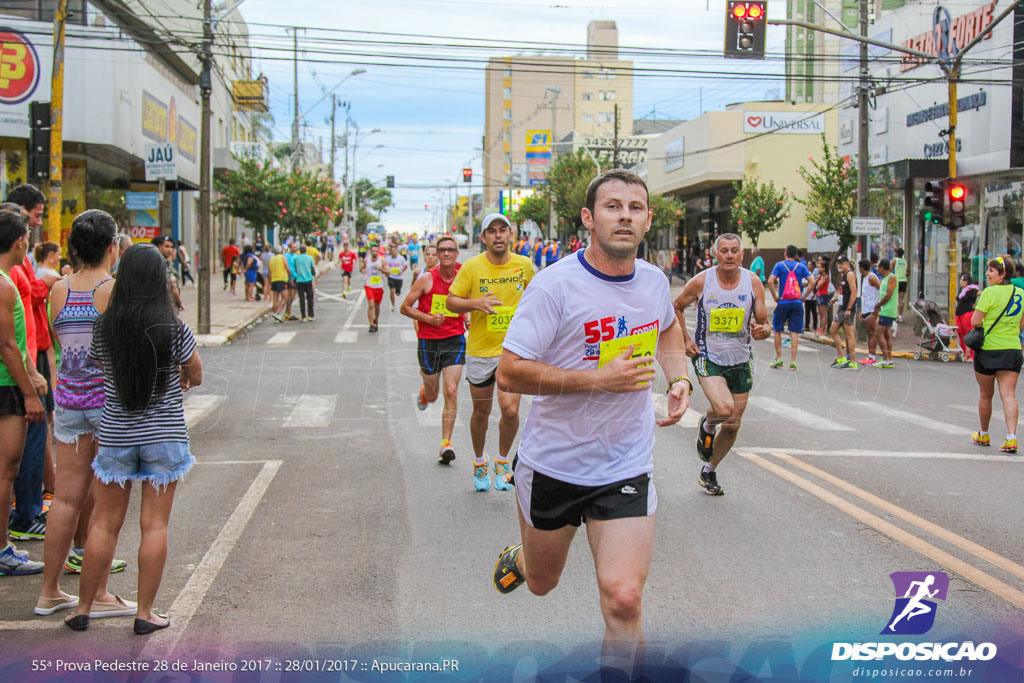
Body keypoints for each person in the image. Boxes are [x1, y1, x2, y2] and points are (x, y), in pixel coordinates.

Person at [491, 170, 690, 675]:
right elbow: (510, 373)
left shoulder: (652, 281)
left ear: (647, 220)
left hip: (625, 464)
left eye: (635, 207)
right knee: (541, 582)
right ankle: (526, 559)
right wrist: (596, 380)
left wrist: (679, 377)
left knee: (624, 598)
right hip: (553, 465)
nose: (625, 216)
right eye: (612, 206)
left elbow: (667, 328)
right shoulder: (554, 285)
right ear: (589, 218)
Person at [64, 243, 202, 634]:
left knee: (103, 525)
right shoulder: (173, 328)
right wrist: (182, 378)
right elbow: (197, 372)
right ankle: (145, 614)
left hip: (116, 436)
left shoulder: (104, 327)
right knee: (153, 526)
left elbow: (103, 366)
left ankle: (83, 608)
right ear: (160, 280)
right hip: (163, 436)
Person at [36, 210, 130, 617]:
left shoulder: (59, 289)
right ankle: (101, 592)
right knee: (106, 507)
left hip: (69, 403)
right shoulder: (112, 289)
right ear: (112, 247)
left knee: (66, 499)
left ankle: (49, 592)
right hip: (106, 406)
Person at [674, 233, 771, 496]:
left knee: (733, 424)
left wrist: (764, 330)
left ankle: (709, 470)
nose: (729, 255)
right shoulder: (702, 281)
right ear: (715, 254)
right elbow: (677, 307)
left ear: (742, 254)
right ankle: (707, 424)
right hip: (708, 356)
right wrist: (685, 339)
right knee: (724, 409)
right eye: (724, 251)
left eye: (734, 251)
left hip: (740, 358)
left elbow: (763, 322)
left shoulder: (753, 282)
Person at [447, 213, 534, 492]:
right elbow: (451, 301)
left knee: (509, 411)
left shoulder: (524, 265)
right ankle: (478, 460)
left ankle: (503, 461)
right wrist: (476, 303)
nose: (498, 236)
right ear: (483, 238)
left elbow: (540, 298)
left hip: (515, 350)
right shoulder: (472, 267)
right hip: (481, 349)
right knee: (481, 411)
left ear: (511, 235)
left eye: (503, 230)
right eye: (492, 231)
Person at [0, 208, 46, 576]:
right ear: (19, 241)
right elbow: (7, 345)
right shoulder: (3, 284)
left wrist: (32, 372)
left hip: (11, 379)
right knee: (6, 470)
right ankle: (2, 548)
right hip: (6, 387)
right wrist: (29, 391)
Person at [400, 236, 466, 464]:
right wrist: (428, 318)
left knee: (451, 390)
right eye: (442, 250)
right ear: (437, 255)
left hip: (454, 340)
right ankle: (424, 391)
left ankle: (445, 444)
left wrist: (467, 316)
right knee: (433, 394)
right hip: (428, 341)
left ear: (457, 253)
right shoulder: (427, 279)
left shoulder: (464, 277)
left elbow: (468, 301)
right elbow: (405, 307)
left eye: (450, 250)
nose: (446, 253)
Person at [970, 256, 1024, 453]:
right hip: (1012, 349)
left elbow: (975, 321)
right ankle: (1011, 437)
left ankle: (983, 434)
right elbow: (1021, 324)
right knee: (1008, 394)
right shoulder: (1020, 293)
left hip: (988, 349)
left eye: (991, 271)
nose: (987, 274)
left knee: (986, 394)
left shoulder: (989, 293)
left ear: (1002, 274)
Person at [766, 245, 813, 370]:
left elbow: (770, 281)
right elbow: (812, 282)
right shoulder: (801, 267)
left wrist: (775, 296)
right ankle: (793, 361)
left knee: (777, 329)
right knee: (794, 332)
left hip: (783, 301)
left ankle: (779, 358)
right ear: (796, 254)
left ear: (785, 253)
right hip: (797, 302)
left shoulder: (779, 265)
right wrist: (804, 297)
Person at [829, 255, 859, 369]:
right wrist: (836, 298)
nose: (840, 265)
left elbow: (854, 292)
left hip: (847, 309)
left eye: (842, 263)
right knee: (833, 330)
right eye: (838, 263)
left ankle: (852, 361)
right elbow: (845, 292)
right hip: (842, 308)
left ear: (847, 263)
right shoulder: (844, 275)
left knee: (849, 335)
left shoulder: (850, 274)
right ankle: (841, 356)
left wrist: (849, 308)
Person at [857, 259, 881, 365]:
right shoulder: (865, 278)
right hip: (866, 308)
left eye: (859, 267)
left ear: (862, 268)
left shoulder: (871, 277)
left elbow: (880, 289)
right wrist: (862, 310)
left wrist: (878, 307)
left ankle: (872, 356)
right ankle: (870, 356)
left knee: (873, 333)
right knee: (869, 333)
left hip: (872, 309)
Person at [875, 259, 898, 369]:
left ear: (883, 268)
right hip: (884, 309)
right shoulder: (883, 279)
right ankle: (889, 358)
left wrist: (878, 305)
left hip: (888, 309)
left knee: (879, 333)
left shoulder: (891, 278)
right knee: (887, 334)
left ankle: (886, 359)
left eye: (878, 267)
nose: (877, 269)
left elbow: (889, 294)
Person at [361, 243, 387, 333]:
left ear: (378, 251)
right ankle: (371, 325)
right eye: (373, 251)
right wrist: (363, 270)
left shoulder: (382, 261)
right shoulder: (366, 260)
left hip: (379, 286)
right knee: (371, 304)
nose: (374, 252)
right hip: (369, 285)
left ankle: (376, 320)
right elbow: (362, 268)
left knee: (377, 306)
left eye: (376, 251)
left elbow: (388, 272)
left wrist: (381, 269)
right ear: (370, 251)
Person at [955, 274, 980, 361]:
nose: (961, 281)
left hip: (967, 314)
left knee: (970, 334)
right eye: (961, 279)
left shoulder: (972, 289)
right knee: (961, 334)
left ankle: (972, 355)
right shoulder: (961, 290)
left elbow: (981, 294)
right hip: (959, 314)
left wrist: (977, 305)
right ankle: (963, 353)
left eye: (964, 280)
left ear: (968, 281)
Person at [293, 245, 317, 322]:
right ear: (306, 250)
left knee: (302, 299)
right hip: (308, 279)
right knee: (310, 298)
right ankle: (311, 315)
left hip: (299, 280)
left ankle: (303, 316)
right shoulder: (310, 258)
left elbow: (295, 268)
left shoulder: (296, 258)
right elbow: (312, 267)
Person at [268, 246, 291, 323]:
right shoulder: (283, 257)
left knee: (275, 298)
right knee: (285, 297)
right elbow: (287, 268)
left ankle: (275, 315)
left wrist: (270, 280)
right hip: (281, 279)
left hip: (274, 279)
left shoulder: (271, 259)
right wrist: (290, 277)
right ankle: (277, 313)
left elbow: (269, 271)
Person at [385, 245, 408, 312]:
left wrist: (402, 271)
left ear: (396, 251)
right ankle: (393, 305)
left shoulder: (401, 258)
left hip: (399, 278)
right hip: (391, 277)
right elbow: (385, 266)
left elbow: (405, 266)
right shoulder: (387, 259)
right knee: (392, 291)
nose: (393, 252)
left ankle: (398, 291)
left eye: (394, 250)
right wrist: (387, 272)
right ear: (390, 252)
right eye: (391, 251)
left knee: (398, 293)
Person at [814, 255, 831, 335]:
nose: (818, 269)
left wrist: (819, 281)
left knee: (823, 313)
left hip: (823, 295)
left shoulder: (825, 277)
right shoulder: (821, 276)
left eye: (819, 267)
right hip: (819, 295)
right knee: (820, 313)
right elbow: (815, 283)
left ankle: (823, 330)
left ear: (823, 268)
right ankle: (821, 328)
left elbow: (818, 286)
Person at [893, 247, 909, 320]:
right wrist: (903, 274)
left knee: (894, 298)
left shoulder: (895, 261)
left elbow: (889, 269)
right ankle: (900, 317)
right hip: (903, 281)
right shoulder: (906, 262)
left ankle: (894, 315)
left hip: (896, 281)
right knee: (901, 300)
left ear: (897, 254)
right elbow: (908, 273)